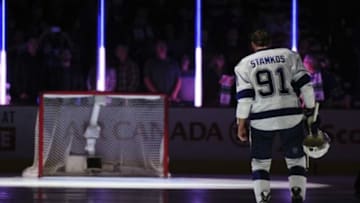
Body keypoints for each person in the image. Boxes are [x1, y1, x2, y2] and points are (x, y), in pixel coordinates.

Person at [234, 29, 316, 203]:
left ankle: (263, 197)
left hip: (261, 118)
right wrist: (310, 109)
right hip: (291, 115)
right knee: (296, 160)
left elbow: (245, 99)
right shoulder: (288, 55)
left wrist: (241, 124)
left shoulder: (243, 64)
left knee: (260, 163)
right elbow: (306, 86)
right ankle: (297, 192)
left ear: (252, 45)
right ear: (270, 42)